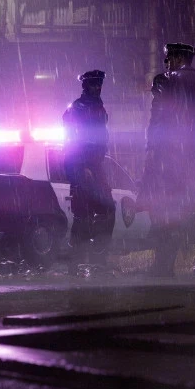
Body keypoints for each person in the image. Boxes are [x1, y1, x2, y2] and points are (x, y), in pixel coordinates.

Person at [138, 43, 195, 277]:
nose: (166, 64)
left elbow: (158, 121)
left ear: (176, 59)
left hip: (174, 161)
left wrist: (152, 151)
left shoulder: (165, 80)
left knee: (170, 212)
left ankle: (164, 266)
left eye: (168, 59)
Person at [62, 69, 114, 274]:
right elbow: (73, 141)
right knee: (83, 215)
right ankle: (75, 263)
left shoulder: (97, 107)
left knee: (105, 210)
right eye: (94, 84)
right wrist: (82, 166)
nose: (98, 87)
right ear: (86, 86)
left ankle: (97, 260)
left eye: (99, 84)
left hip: (93, 165)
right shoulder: (78, 108)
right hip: (81, 166)